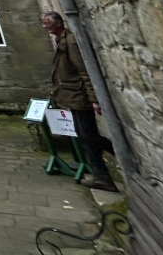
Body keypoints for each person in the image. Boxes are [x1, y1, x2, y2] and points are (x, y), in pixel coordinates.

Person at [41, 11, 118, 192]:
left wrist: (94, 99)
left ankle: (110, 164)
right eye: (43, 23)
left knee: (88, 136)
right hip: (72, 96)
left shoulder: (70, 42)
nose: (45, 27)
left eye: (47, 23)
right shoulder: (61, 40)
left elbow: (84, 71)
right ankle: (102, 173)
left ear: (58, 23)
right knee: (84, 136)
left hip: (79, 96)